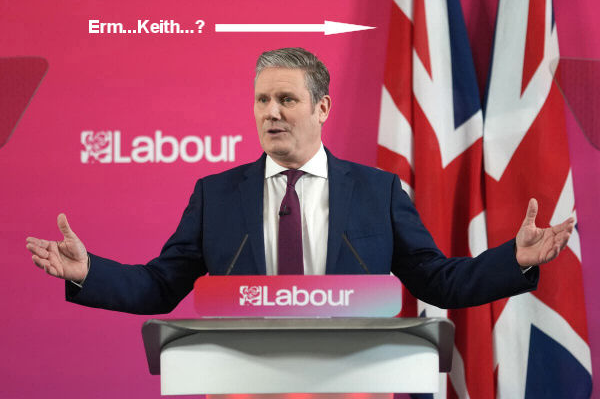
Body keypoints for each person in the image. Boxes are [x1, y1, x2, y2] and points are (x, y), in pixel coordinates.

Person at [25, 47, 574, 315]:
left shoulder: (377, 192)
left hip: (351, 383)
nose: (271, 112)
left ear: (323, 107)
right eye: (262, 99)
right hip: (243, 383)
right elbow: (160, 287)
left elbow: (438, 282)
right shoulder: (215, 195)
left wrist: (516, 260)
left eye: (287, 99)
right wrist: (88, 271)